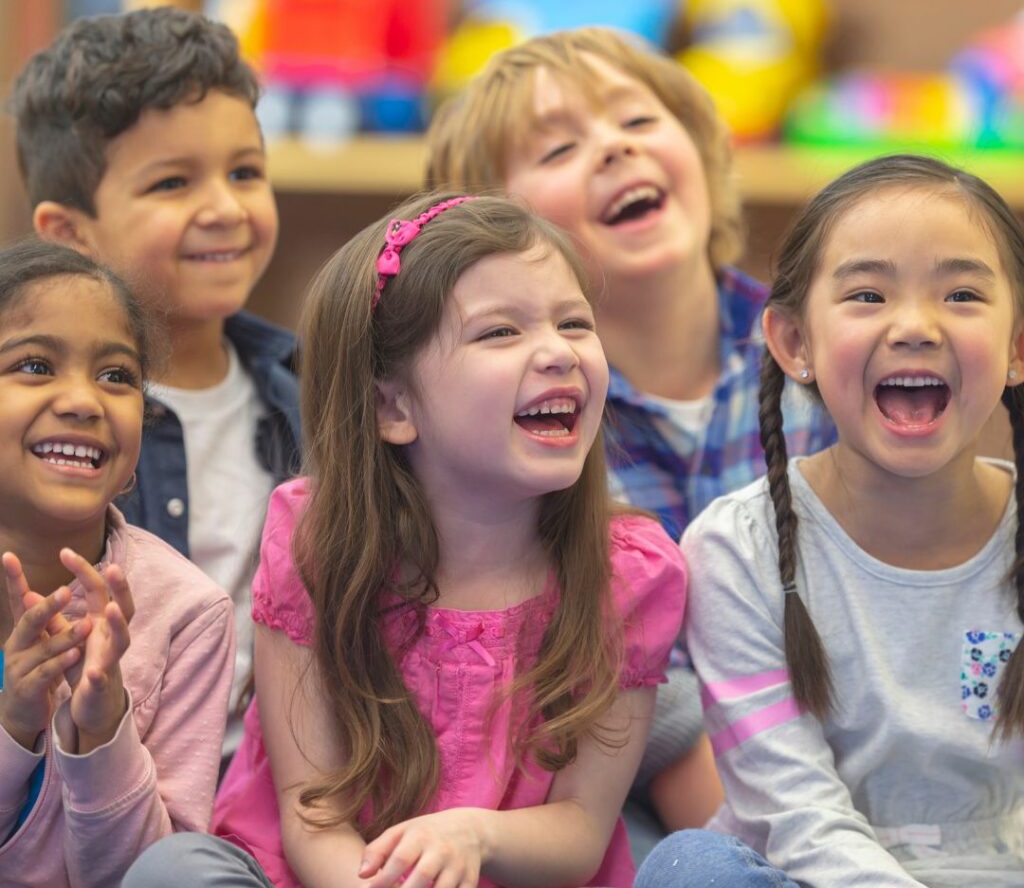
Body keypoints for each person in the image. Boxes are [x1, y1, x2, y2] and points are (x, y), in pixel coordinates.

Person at [122, 192, 686, 888]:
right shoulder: (314, 540)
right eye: (499, 333)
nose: (558, 353)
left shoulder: (632, 574)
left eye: (574, 322)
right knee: (172, 871)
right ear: (392, 406)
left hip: (509, 876)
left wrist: (473, 835)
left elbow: (579, 831)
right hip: (324, 877)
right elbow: (310, 815)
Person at [425, 26, 835, 834]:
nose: (613, 149)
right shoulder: (509, 419)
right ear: (487, 237)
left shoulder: (822, 352)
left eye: (638, 122)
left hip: (855, 741)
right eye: (558, 150)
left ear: (706, 153)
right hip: (621, 785)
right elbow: (580, 659)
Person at [636, 154, 1024, 888]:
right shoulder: (734, 551)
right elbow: (797, 816)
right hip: (806, 875)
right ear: (794, 345)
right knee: (688, 868)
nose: (915, 326)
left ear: (1017, 348)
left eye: (964, 293)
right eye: (869, 294)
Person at [9, 7, 301, 754]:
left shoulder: (317, 394)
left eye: (245, 172)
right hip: (104, 772)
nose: (226, 208)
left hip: (278, 781)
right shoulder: (58, 431)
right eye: (173, 182)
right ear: (69, 233)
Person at [0, 240, 235, 888]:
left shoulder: (190, 613)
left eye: (116, 376)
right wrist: (14, 728)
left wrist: (102, 732)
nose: (84, 401)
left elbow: (161, 874)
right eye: (35, 365)